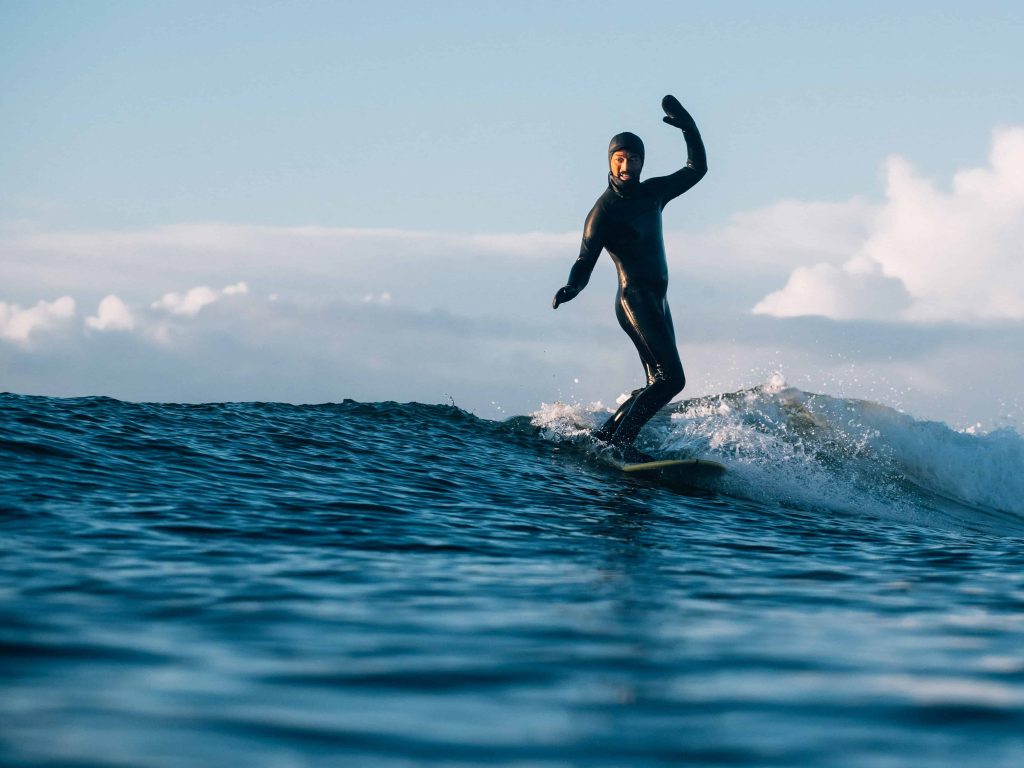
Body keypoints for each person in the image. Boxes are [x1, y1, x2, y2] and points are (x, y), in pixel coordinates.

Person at [552, 95, 707, 449]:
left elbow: (696, 169)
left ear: (641, 162)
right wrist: (572, 287)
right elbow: (584, 259)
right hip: (633, 299)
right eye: (619, 159)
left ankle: (605, 438)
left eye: (632, 158)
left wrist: (689, 128)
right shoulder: (603, 211)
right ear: (610, 161)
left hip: (658, 300)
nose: (626, 165)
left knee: (658, 382)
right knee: (672, 380)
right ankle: (619, 446)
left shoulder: (653, 194)